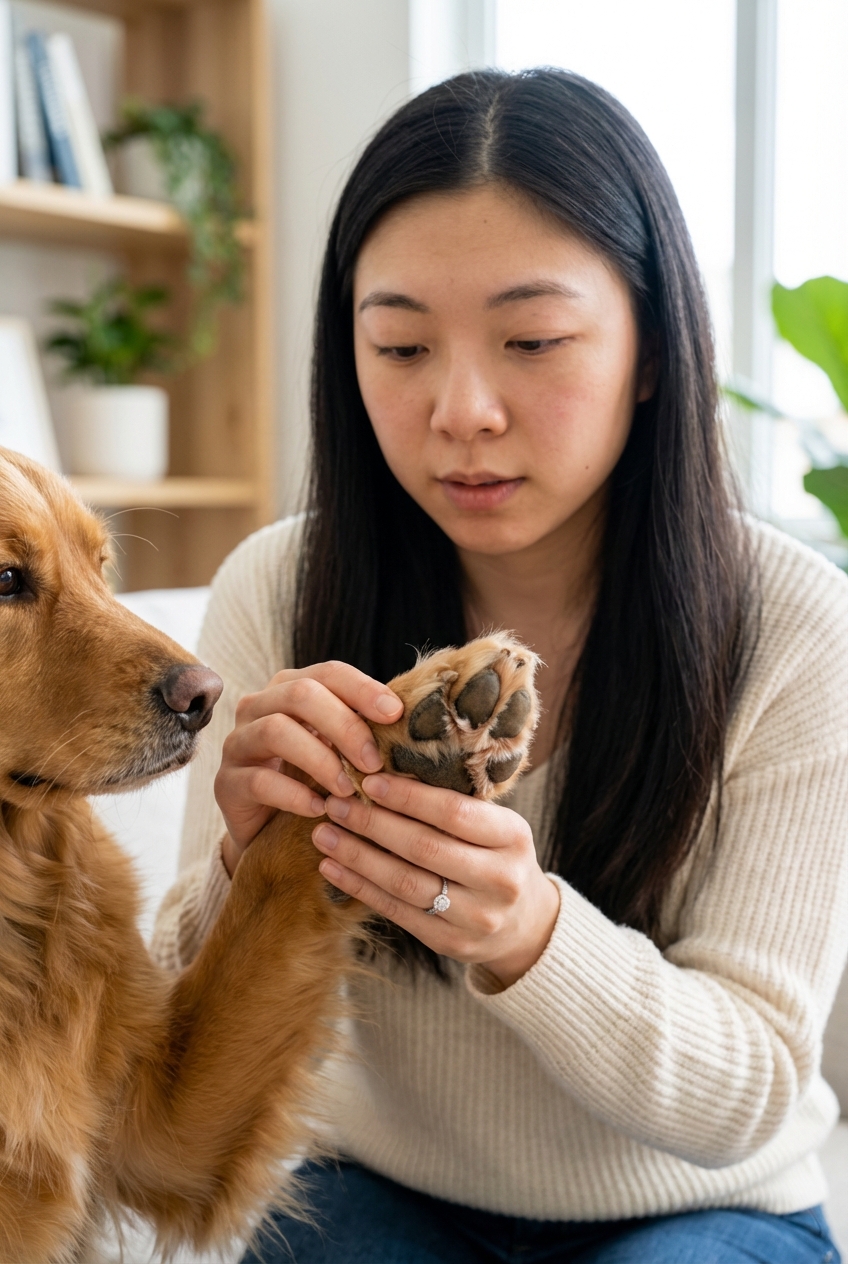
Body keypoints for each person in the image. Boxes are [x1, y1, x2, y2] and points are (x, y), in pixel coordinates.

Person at [152, 69, 848, 1263]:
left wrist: (526, 930)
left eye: (531, 340)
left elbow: (750, 1091)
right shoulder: (279, 586)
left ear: (647, 347)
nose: (460, 408)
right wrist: (241, 864)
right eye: (401, 344)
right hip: (374, 1192)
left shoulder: (792, 624)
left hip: (700, 1209)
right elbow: (176, 1027)